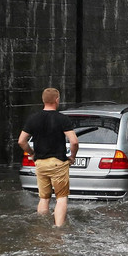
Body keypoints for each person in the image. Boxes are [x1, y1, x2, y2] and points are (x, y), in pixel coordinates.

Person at [17, 87, 79, 227]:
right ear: (57, 100)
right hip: (58, 163)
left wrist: (32, 154)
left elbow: (21, 141)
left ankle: (42, 226)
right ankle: (58, 228)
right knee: (61, 198)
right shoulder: (62, 119)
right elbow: (74, 141)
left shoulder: (33, 118)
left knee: (44, 198)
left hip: (40, 164)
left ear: (43, 100)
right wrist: (72, 156)